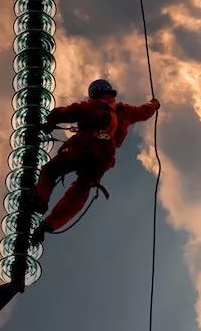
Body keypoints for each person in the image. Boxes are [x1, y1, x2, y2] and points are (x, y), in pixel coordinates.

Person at [29, 78, 159, 243]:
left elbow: (70, 112)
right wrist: (154, 104)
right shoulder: (124, 111)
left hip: (82, 147)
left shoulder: (95, 105)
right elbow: (144, 111)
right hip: (102, 158)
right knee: (80, 190)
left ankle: (39, 200)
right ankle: (49, 224)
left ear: (94, 93)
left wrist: (51, 121)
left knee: (50, 170)